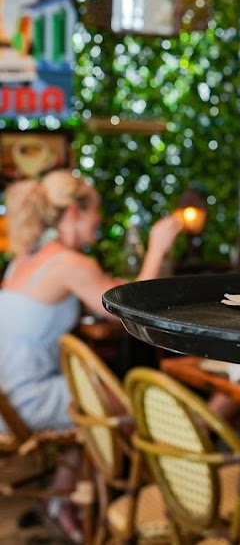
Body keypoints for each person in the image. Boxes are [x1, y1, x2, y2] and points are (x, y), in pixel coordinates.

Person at [0, 169, 183, 538]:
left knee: (94, 402)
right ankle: (135, 507)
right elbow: (133, 308)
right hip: (26, 400)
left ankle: (63, 500)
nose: (100, 219)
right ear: (73, 213)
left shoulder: (25, 259)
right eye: (96, 210)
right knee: (121, 413)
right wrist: (157, 248)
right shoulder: (71, 264)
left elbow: (102, 292)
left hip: (5, 398)